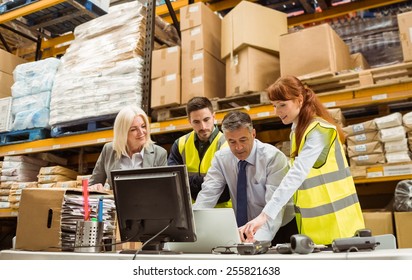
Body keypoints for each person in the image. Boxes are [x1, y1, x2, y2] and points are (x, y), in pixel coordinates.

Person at [240, 75, 365, 245]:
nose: (278, 111)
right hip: (316, 229)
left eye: (282, 105)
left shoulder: (318, 131)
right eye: (275, 106)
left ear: (299, 100)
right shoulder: (298, 131)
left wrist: (265, 216)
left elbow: (296, 175)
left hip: (339, 226)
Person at [193, 110, 296, 243]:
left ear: (253, 134)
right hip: (242, 231)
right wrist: (190, 228)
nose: (239, 147)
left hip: (278, 229)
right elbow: (207, 195)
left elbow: (274, 207)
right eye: (232, 142)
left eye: (243, 140)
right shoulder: (221, 158)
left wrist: (255, 242)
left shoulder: (273, 158)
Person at [168, 96, 231, 208]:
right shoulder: (180, 145)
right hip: (192, 212)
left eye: (206, 120)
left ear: (214, 116)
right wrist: (206, 180)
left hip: (222, 212)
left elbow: (225, 189)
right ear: (189, 121)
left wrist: (188, 181)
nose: (203, 127)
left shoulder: (227, 144)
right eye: (196, 122)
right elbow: (173, 183)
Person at [89, 105, 167, 189]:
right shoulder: (109, 150)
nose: (141, 132)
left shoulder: (159, 154)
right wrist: (95, 187)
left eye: (143, 126)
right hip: (116, 202)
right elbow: (92, 185)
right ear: (122, 133)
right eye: (133, 129)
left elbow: (164, 189)